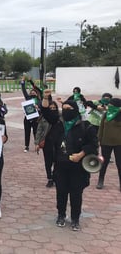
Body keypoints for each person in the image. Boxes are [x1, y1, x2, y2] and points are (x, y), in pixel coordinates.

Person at [53, 99, 98, 231]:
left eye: (69, 109)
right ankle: (61, 215)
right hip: (61, 165)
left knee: (76, 194)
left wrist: (81, 154)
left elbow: (93, 145)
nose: (66, 111)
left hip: (78, 168)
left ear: (76, 110)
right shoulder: (59, 125)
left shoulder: (85, 126)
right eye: (64, 108)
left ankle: (75, 219)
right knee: (61, 192)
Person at [36, 91, 63, 187]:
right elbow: (39, 130)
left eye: (54, 108)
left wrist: (63, 103)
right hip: (47, 142)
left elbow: (73, 112)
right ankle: (50, 178)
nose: (52, 109)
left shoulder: (61, 117)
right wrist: (37, 143)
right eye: (50, 108)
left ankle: (55, 176)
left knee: (58, 161)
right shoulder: (45, 118)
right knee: (48, 162)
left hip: (59, 144)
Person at [96, 98, 121, 190]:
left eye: (111, 104)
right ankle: (101, 180)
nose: (109, 105)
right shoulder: (106, 114)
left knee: (119, 163)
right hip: (106, 142)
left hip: (119, 143)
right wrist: (98, 139)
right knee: (104, 162)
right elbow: (101, 127)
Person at [20, 78, 41, 152]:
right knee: (27, 132)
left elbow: (41, 108)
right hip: (28, 118)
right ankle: (26, 146)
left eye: (34, 92)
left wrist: (38, 108)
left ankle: (36, 145)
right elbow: (24, 90)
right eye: (31, 92)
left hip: (36, 118)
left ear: (37, 93)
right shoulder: (28, 98)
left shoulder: (39, 100)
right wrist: (22, 82)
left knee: (36, 132)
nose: (32, 93)